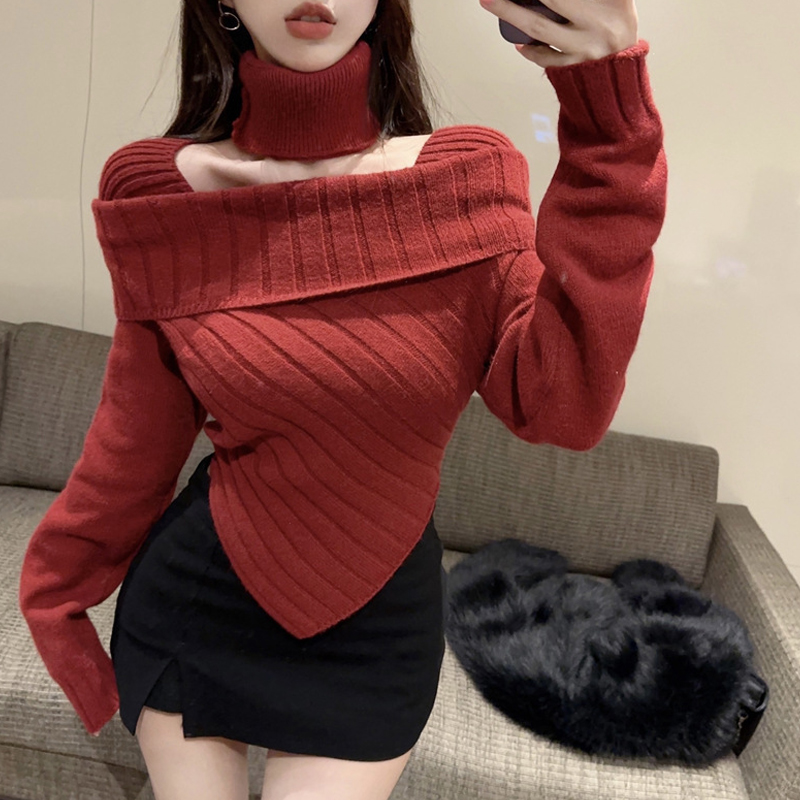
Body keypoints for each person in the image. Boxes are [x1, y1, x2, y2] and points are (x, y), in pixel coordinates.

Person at [17, 0, 666, 797]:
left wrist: (608, 118)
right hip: (197, 604)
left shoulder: (466, 180)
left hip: (375, 633)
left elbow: (562, 408)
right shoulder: (158, 192)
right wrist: (56, 594)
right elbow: (134, 441)